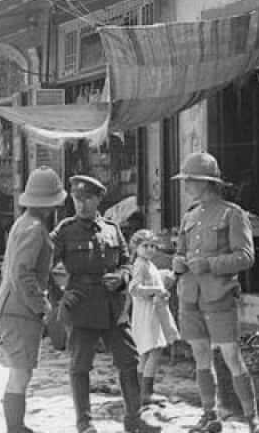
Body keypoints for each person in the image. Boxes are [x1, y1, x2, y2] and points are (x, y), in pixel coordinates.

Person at [51, 174, 159, 433]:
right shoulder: (65, 231)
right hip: (82, 306)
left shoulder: (112, 229)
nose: (81, 204)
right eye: (77, 199)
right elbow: (43, 266)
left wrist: (121, 278)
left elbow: (126, 262)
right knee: (80, 365)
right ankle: (84, 423)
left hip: (113, 307)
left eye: (87, 199)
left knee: (129, 361)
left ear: (98, 199)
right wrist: (59, 297)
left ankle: (134, 419)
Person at [172, 152, 259, 433]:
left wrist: (210, 264)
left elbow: (246, 257)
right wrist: (177, 263)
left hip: (219, 295)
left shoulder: (232, 214)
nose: (185, 185)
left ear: (206, 182)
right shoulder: (190, 216)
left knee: (231, 356)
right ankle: (209, 415)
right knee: (200, 355)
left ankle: (252, 419)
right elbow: (180, 252)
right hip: (190, 296)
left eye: (190, 180)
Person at [0, 167, 67, 433]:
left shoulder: (24, 222)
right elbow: (22, 273)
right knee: (21, 372)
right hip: (20, 309)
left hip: (13, 305)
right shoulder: (35, 229)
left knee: (21, 370)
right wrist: (42, 306)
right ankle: (15, 428)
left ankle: (17, 426)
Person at [129, 229, 180, 406]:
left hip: (153, 311)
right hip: (147, 312)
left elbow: (153, 279)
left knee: (146, 352)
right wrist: (156, 290)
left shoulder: (148, 263)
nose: (150, 249)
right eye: (145, 246)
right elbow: (134, 289)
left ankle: (138, 391)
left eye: (153, 246)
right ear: (136, 247)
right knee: (154, 349)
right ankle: (146, 392)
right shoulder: (140, 265)